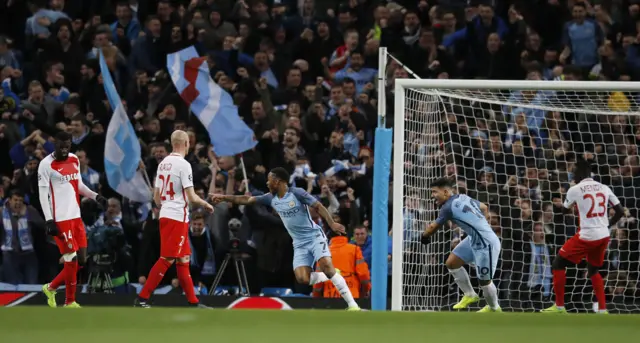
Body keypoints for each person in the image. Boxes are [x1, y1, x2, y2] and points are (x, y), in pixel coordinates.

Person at [211, 167, 361, 310]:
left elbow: (319, 206)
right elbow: (247, 199)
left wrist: (332, 223)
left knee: (326, 264)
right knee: (302, 278)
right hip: (299, 243)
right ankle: (332, 274)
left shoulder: (297, 193)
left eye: (270, 180)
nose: (267, 183)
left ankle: (353, 305)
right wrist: (224, 197)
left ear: (279, 181)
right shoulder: (270, 198)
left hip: (313, 236)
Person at [135, 130, 214, 308]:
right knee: (167, 259)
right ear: (186, 144)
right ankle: (142, 298)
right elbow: (192, 197)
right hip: (176, 217)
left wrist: (168, 205)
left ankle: (193, 302)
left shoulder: (163, 164)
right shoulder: (183, 165)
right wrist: (206, 204)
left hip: (167, 215)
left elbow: (156, 198)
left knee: (183, 260)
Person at [542, 159, 624, 314]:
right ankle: (602, 309)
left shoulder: (575, 189)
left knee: (558, 263)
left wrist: (561, 205)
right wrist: (607, 224)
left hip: (587, 235)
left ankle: (559, 306)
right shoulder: (604, 187)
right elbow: (620, 211)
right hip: (603, 235)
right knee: (593, 270)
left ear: (578, 173)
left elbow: (564, 212)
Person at [38, 131, 107, 308]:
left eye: (67, 146)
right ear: (54, 143)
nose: (64, 149)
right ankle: (70, 301)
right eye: (61, 146)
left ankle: (51, 287)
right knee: (71, 259)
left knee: (82, 259)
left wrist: (95, 196)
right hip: (60, 219)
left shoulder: (74, 159)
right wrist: (49, 220)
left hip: (76, 217)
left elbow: (79, 185)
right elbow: (43, 194)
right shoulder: (46, 165)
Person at [422, 177, 502, 312]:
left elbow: (432, 227)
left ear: (446, 192)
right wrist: (482, 225)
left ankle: (494, 308)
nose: (432, 196)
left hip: (486, 244)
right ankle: (470, 294)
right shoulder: (463, 197)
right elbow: (484, 207)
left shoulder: (447, 208)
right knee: (452, 263)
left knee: (484, 281)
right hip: (473, 239)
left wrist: (424, 237)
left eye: (435, 192)